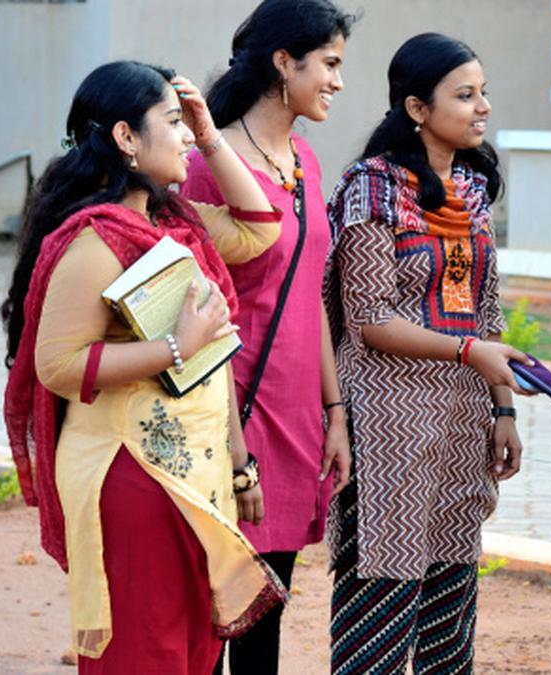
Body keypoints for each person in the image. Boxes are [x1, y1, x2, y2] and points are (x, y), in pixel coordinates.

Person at [2, 61, 286, 673]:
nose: (186, 136)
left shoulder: (175, 223)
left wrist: (240, 466)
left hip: (195, 476)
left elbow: (262, 226)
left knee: (193, 653)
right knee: (146, 649)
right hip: (131, 477)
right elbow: (57, 362)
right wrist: (176, 345)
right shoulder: (93, 240)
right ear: (127, 138)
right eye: (174, 122)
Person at [322, 33, 531, 674]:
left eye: (483, 92)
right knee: (379, 591)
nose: (482, 107)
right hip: (386, 423)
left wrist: (504, 411)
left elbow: (485, 311)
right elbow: (372, 319)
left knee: (451, 590)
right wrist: (471, 353)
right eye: (464, 95)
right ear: (417, 107)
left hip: (461, 421)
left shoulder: (468, 190)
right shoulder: (372, 189)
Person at [179, 2, 356, 670]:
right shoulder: (209, 164)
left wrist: (333, 411)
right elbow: (196, 305)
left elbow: (308, 290)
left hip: (294, 415)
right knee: (211, 613)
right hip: (226, 409)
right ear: (284, 62)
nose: (338, 82)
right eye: (330, 65)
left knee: (266, 616)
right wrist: (231, 441)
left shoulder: (306, 159)